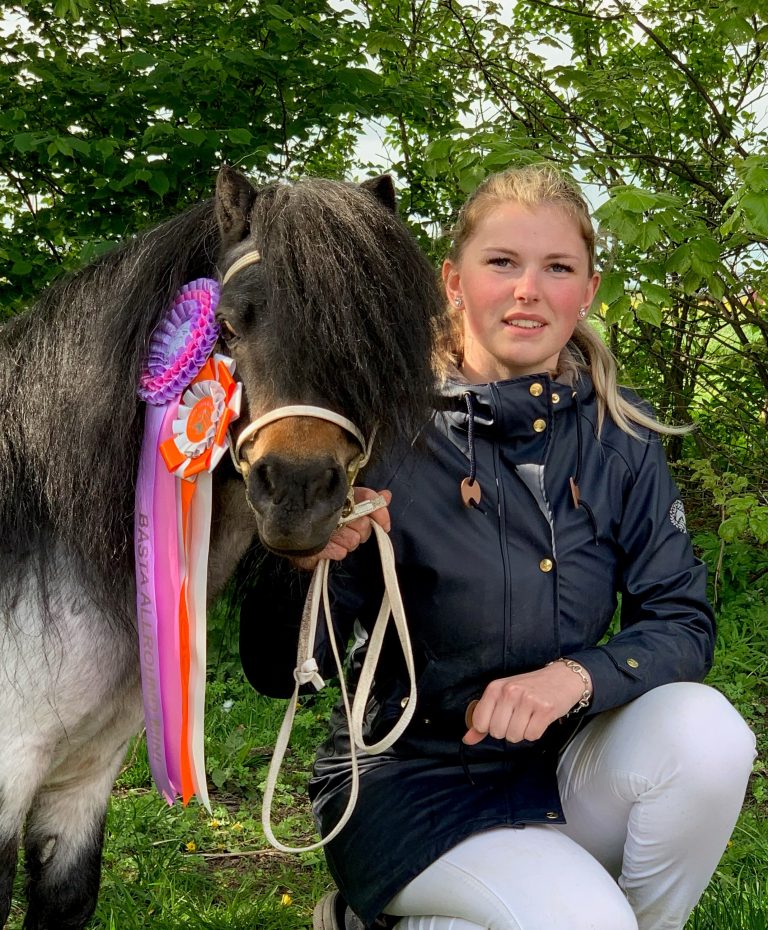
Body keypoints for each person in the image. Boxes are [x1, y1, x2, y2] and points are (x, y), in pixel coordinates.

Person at [239, 164, 756, 930]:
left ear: (589, 291)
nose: (528, 290)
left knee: (711, 736)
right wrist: (302, 562)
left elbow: (682, 622)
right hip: (410, 785)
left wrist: (574, 679)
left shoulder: (623, 438)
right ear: (453, 283)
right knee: (583, 923)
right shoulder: (379, 434)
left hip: (560, 764)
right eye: (502, 263)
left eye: (557, 268)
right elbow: (281, 672)